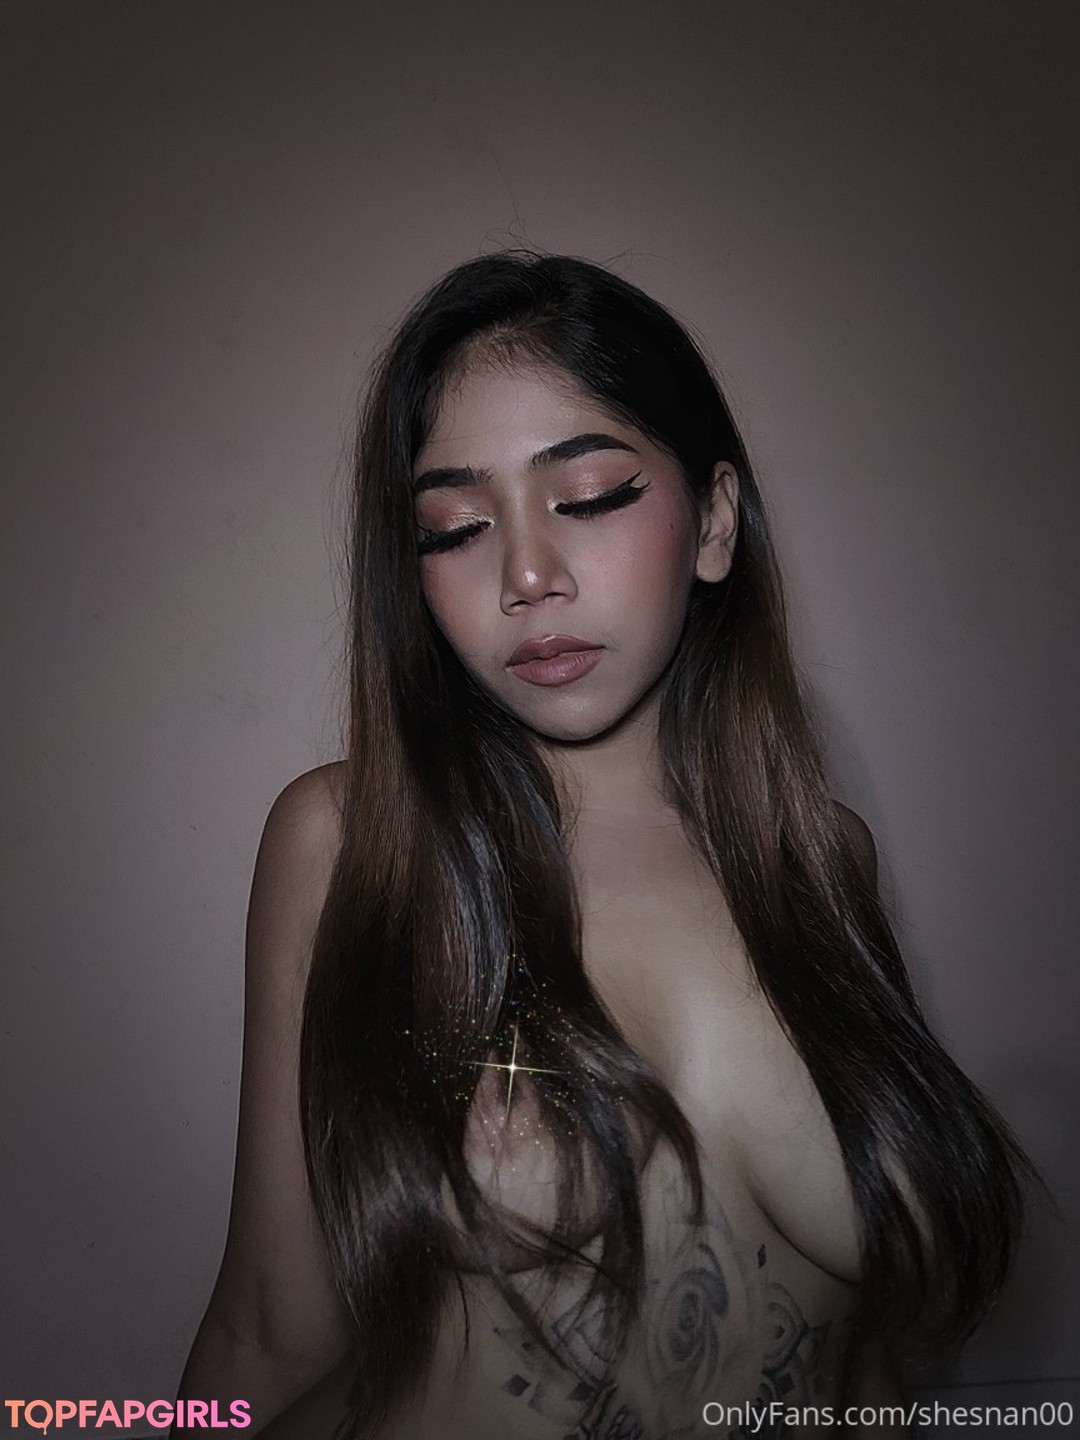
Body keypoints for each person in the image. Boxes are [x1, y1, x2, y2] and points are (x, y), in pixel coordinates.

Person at [174, 252, 1031, 1439]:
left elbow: (860, 1355)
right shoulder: (352, 845)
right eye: (455, 527)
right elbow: (267, 1333)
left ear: (715, 522)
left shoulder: (826, 862)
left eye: (588, 497)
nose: (528, 574)